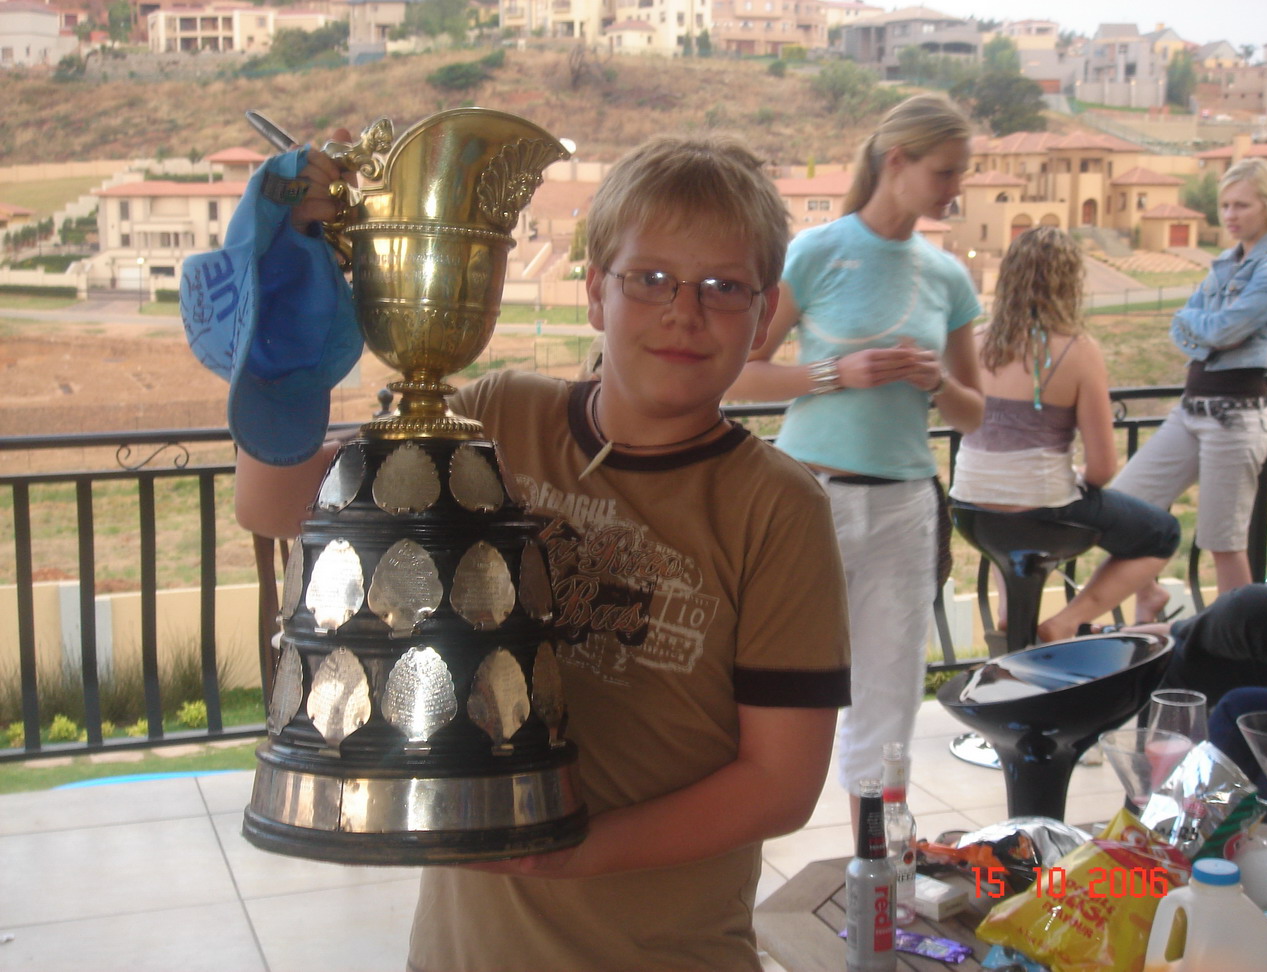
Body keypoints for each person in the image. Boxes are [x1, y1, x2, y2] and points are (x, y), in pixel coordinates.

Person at [217, 131, 852, 972]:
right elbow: (272, 504)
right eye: (650, 279)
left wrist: (570, 849)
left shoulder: (777, 507)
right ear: (595, 293)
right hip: (463, 952)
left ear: (766, 314)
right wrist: (282, 342)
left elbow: (780, 782)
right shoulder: (498, 419)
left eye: (722, 288)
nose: (683, 313)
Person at [728, 93, 985, 832]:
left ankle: (878, 870)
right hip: (810, 496)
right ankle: (734, 845)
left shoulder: (947, 277)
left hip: (906, 506)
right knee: (774, 681)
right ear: (896, 161)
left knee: (892, 695)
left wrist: (936, 381)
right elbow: (742, 371)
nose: (954, 189)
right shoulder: (816, 251)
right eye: (945, 172)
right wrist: (841, 373)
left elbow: (974, 412)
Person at [947, 226, 1181, 643]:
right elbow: (1103, 468)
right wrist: (1077, 476)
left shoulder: (976, 341)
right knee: (1161, 533)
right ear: (1070, 282)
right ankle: (1067, 621)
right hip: (1040, 510)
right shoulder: (1078, 351)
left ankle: (1011, 615)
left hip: (970, 509)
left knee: (1010, 518)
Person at [1112, 157, 1267, 617]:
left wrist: (1198, 326)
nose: (1230, 215)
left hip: (1235, 418)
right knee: (1123, 505)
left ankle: (1241, 648)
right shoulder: (1224, 263)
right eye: (1225, 206)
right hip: (1192, 409)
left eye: (1242, 205)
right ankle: (1149, 594)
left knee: (1223, 543)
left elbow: (1220, 332)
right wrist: (1201, 326)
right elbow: (1195, 329)